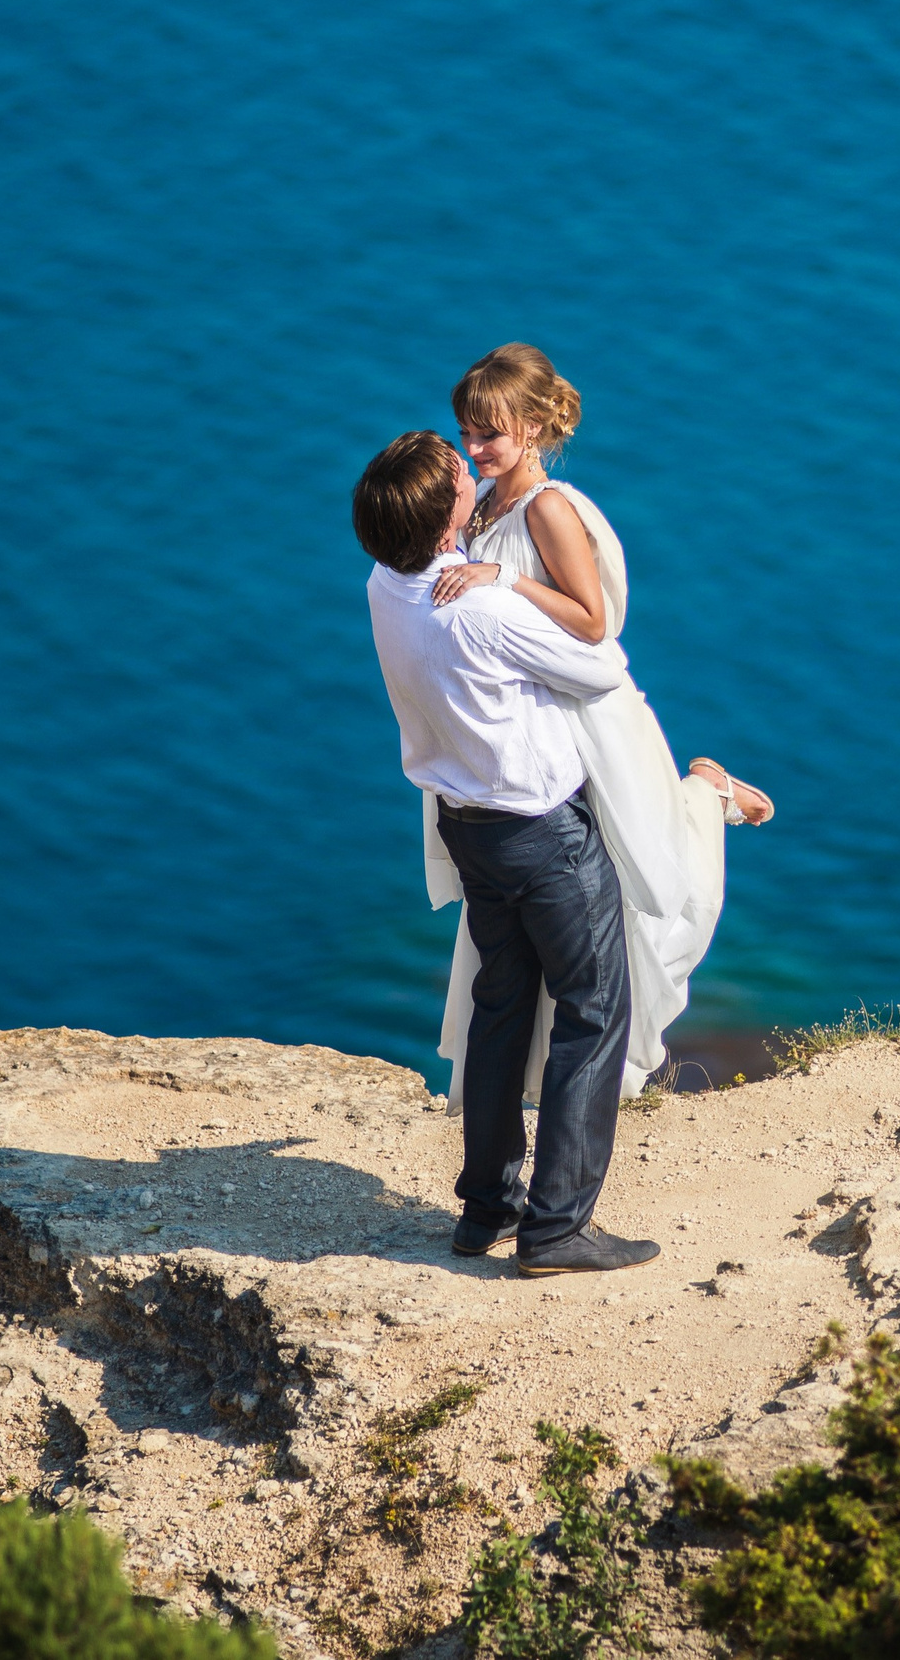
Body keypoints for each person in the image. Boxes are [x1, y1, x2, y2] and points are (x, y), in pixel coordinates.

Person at [424, 344, 772, 1108]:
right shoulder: (482, 504)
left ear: (537, 428)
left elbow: (592, 623)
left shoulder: (549, 508)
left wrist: (502, 576)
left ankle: (707, 792)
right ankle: (541, 1100)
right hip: (538, 728)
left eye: (491, 435)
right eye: (466, 432)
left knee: (640, 889)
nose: (474, 449)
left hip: (594, 722)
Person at [356, 430, 657, 1276]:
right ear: (451, 520)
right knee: (593, 1011)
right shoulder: (477, 607)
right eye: (459, 472)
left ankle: (486, 1206)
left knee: (501, 1007)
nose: (468, 462)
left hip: (468, 829)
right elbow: (600, 665)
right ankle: (557, 1227)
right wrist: (514, 578)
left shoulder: (384, 587)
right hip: (541, 836)